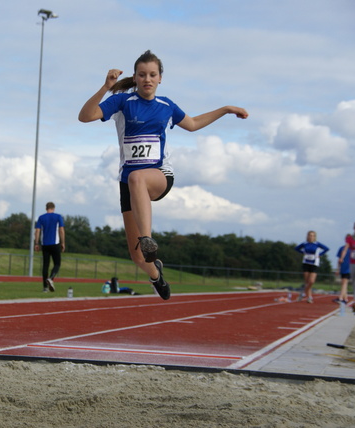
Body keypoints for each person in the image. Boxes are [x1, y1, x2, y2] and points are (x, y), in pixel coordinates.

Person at [78, 50, 248, 300]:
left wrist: (225, 109)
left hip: (159, 175)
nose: (147, 79)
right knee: (136, 257)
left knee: (138, 178)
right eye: (142, 74)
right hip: (128, 184)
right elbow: (85, 117)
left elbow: (193, 124)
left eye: (152, 74)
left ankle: (147, 238)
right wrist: (105, 88)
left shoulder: (166, 106)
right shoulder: (122, 102)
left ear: (160, 78)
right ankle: (156, 275)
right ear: (135, 78)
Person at [34, 202, 65, 292]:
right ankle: (51, 278)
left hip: (45, 245)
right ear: (54, 208)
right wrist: (63, 243)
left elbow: (37, 231)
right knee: (57, 264)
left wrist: (36, 243)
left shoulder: (41, 217)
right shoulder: (58, 217)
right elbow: (61, 230)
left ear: (46, 208)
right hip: (55, 244)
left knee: (45, 265)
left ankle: (45, 288)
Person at [294, 231, 329, 303]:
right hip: (306, 262)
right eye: (310, 235)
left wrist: (320, 254)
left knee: (311, 281)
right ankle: (309, 297)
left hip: (314, 263)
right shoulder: (305, 243)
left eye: (313, 235)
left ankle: (303, 293)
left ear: (315, 237)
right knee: (307, 281)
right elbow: (296, 248)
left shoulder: (317, 244)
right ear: (307, 236)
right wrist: (303, 252)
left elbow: (326, 249)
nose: (311, 237)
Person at [334, 236, 351, 304]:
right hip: (343, 267)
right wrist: (338, 269)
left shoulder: (352, 249)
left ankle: (340, 297)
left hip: (349, 268)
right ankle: (345, 298)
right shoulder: (341, 248)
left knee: (344, 282)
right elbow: (339, 260)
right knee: (344, 283)